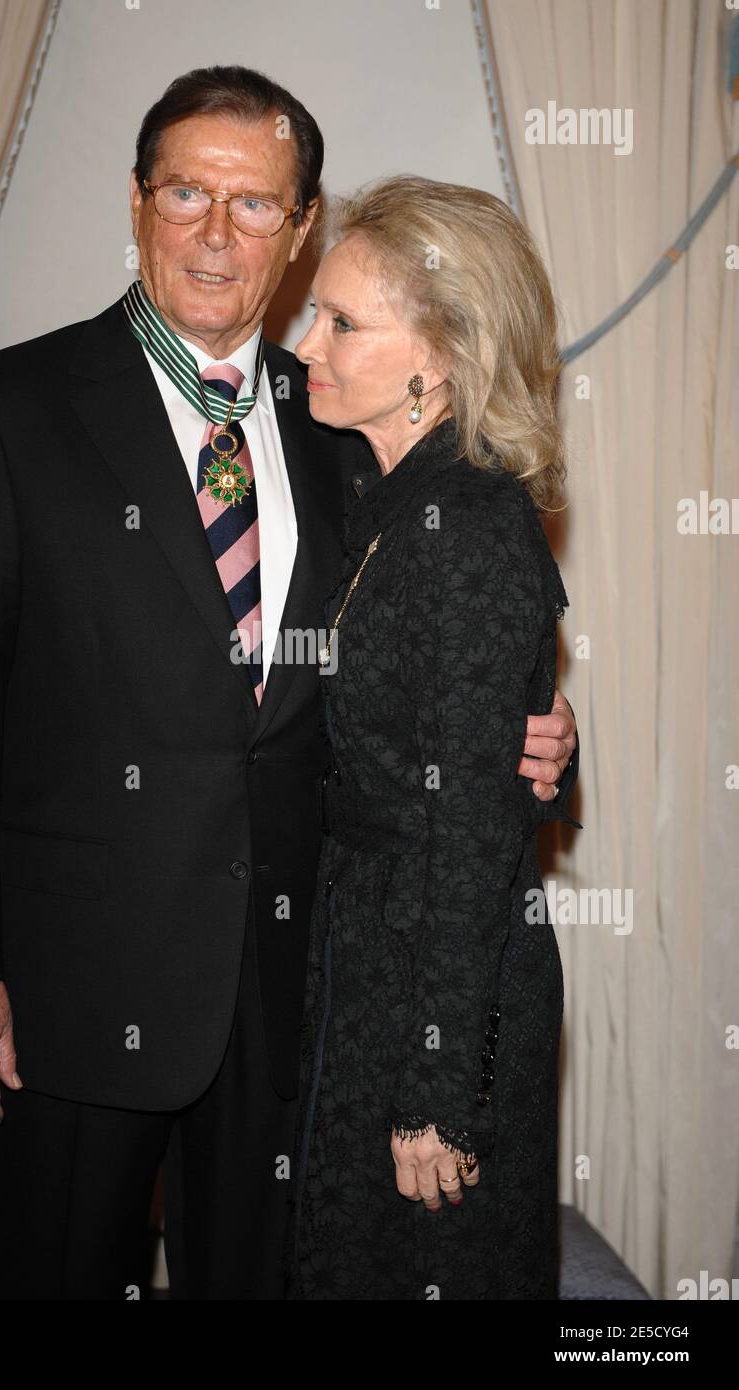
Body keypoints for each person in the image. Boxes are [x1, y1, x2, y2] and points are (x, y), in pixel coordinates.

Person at [0, 68, 579, 1302]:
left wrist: (543, 728)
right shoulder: (5, 410)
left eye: (254, 206)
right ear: (138, 201)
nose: (214, 233)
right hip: (68, 999)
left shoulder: (347, 424)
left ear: (301, 231)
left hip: (297, 996)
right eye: (187, 192)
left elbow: (434, 653)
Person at [286, 176, 583, 1300]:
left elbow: (462, 839)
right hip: (380, 958)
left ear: (441, 358)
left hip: (433, 990)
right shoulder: (398, 495)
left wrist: (435, 1087)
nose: (306, 341)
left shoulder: (457, 524)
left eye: (342, 322)